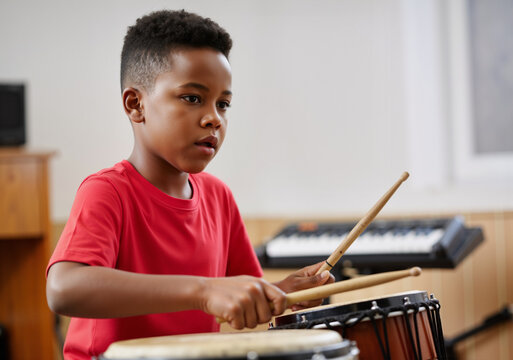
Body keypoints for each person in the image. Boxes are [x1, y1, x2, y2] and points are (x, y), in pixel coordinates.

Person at [46, 9, 334, 360]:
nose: (214, 117)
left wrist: (283, 293)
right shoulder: (107, 191)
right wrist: (203, 291)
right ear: (136, 105)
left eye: (223, 104)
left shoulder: (218, 196)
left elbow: (239, 295)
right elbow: (63, 289)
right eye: (193, 98)